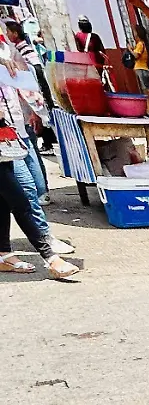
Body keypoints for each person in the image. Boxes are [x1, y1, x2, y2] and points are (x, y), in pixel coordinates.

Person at [0, 41, 78, 279]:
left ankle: (4, 255)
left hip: (7, 139)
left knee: (4, 201)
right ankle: (50, 258)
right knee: (20, 198)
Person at [5, 20, 55, 152]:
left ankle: (49, 142)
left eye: (8, 32)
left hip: (33, 91)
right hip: (32, 92)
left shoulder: (22, 50)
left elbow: (36, 69)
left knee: (41, 119)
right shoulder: (19, 49)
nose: (6, 35)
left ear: (15, 33)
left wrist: (37, 90)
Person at [129, 23, 149, 112]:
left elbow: (136, 56)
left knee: (148, 90)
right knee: (146, 91)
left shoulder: (140, 44)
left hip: (142, 69)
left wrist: (130, 49)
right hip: (141, 69)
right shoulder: (139, 44)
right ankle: (148, 110)